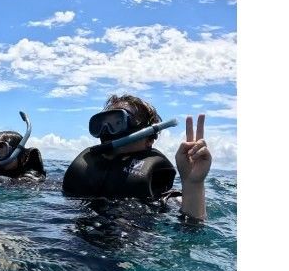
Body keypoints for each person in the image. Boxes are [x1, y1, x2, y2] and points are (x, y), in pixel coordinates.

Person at [60, 94, 211, 220]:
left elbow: (191, 228)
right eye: (101, 124)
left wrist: (193, 184)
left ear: (149, 138)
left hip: (125, 251)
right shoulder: (86, 169)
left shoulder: (156, 188)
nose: (106, 131)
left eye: (117, 122)